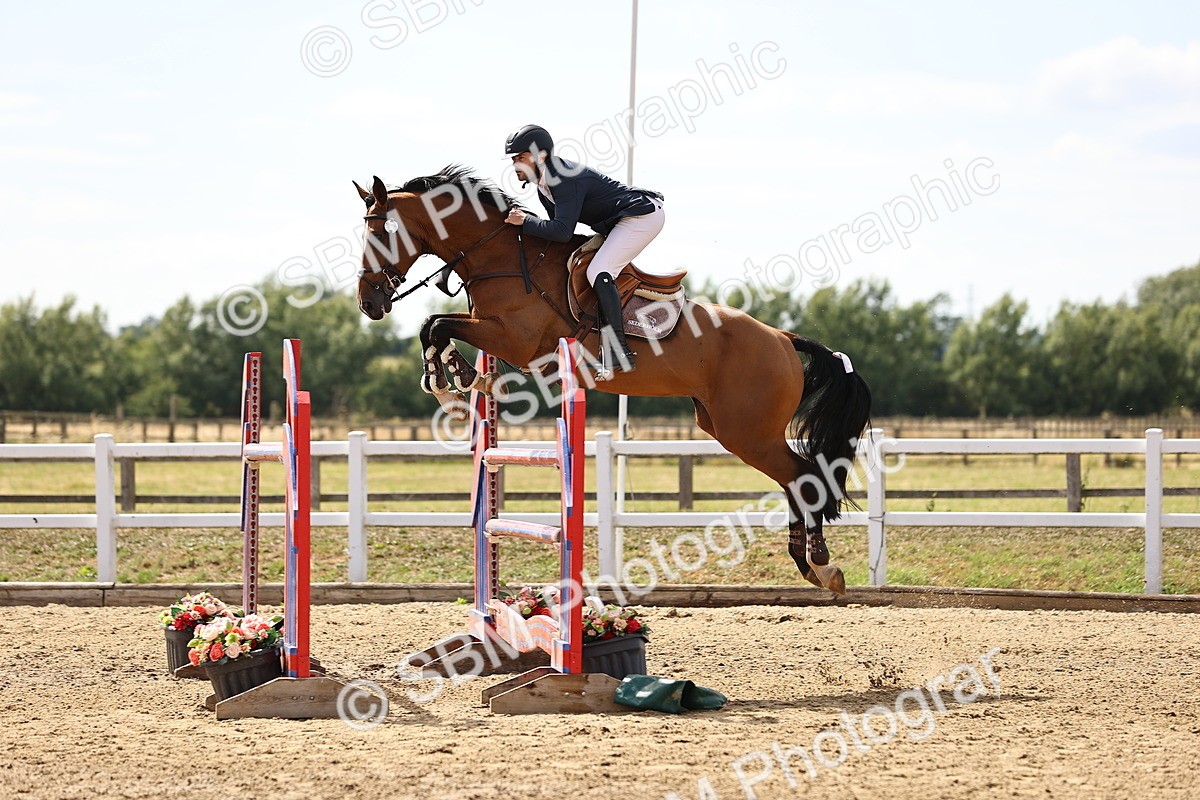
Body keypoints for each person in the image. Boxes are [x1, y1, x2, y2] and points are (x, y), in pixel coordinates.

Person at [502, 124, 664, 374]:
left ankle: (619, 350)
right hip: (618, 221)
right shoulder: (544, 184)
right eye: (514, 159)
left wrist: (525, 221)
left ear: (540, 156)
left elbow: (561, 230)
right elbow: (556, 236)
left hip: (641, 216)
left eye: (520, 157)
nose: (515, 165)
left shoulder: (562, 178)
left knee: (599, 269)